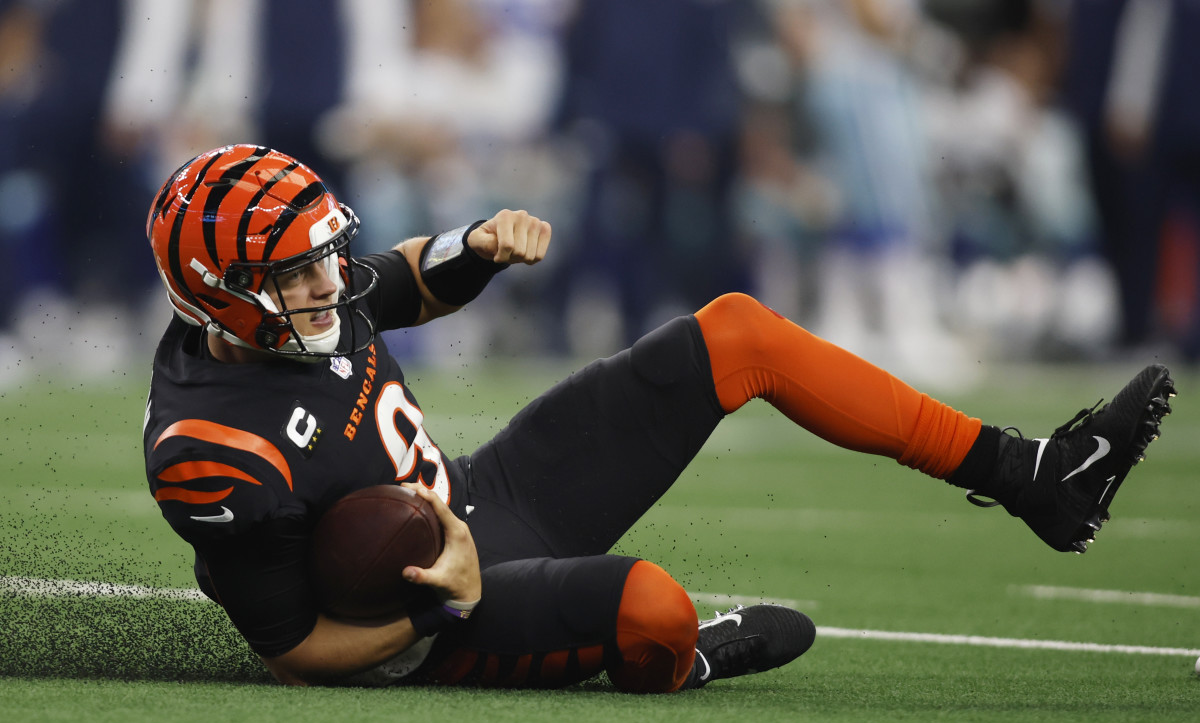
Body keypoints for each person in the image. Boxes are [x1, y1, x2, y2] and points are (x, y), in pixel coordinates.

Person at [142, 144, 1175, 691]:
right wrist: (435, 606)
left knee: (739, 334)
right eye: (296, 272)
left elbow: (401, 279)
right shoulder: (210, 450)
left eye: (322, 256)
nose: (327, 281)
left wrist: (477, 245)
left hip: (484, 491)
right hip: (436, 617)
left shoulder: (296, 297)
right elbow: (292, 650)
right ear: (223, 293)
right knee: (655, 612)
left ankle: (1033, 472)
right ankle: (703, 660)